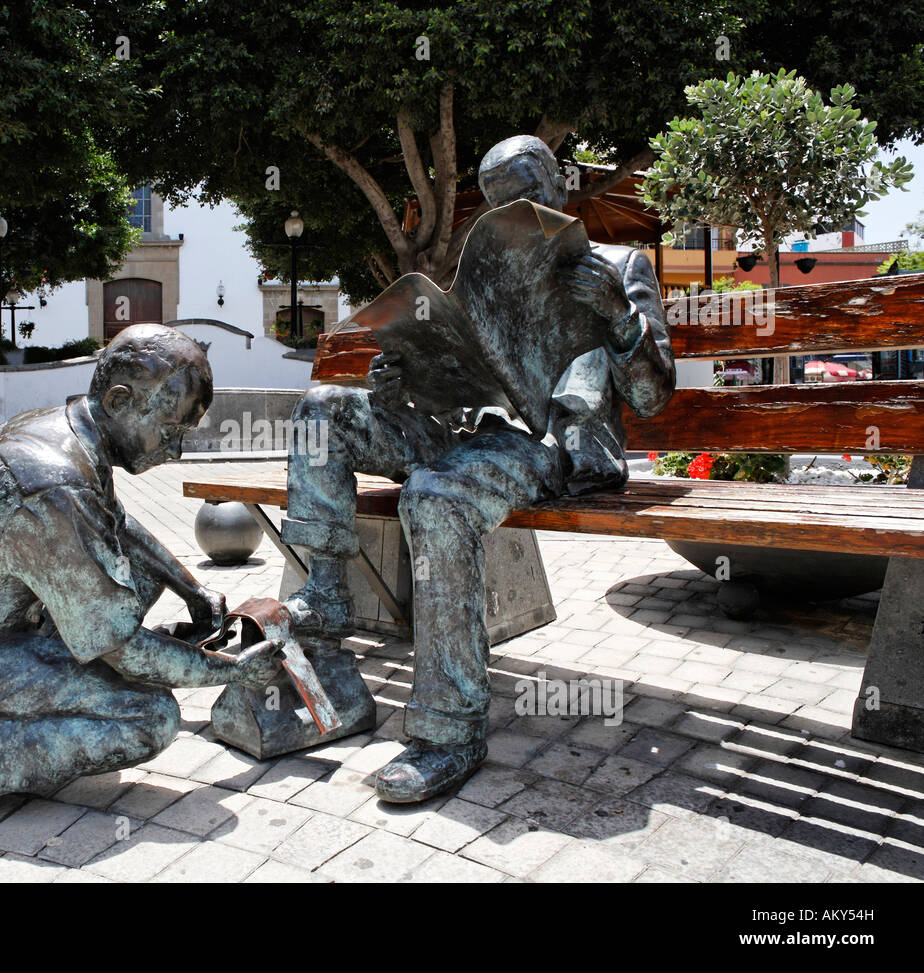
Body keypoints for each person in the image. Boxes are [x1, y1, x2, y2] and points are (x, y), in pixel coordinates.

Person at [282, 135, 676, 803]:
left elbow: (652, 396)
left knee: (434, 496)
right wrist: (404, 378)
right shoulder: (484, 273)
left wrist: (617, 313)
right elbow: (463, 376)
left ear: (558, 186)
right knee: (325, 408)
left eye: (525, 193)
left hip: (551, 444)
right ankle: (322, 610)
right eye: (496, 201)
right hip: (464, 427)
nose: (512, 210)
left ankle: (447, 729)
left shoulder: (621, 264)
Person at [0, 324, 281, 832]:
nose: (177, 450)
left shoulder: (62, 428)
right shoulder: (54, 484)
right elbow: (124, 646)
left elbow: (114, 522)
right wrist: (229, 670)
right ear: (120, 401)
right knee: (148, 717)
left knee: (138, 580)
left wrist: (191, 584)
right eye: (171, 428)